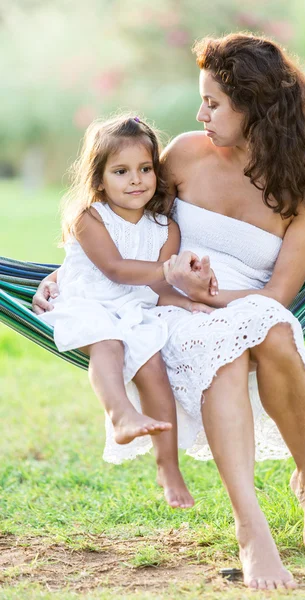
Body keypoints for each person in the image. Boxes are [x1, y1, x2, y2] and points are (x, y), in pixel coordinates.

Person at [33, 34, 305, 590]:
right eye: (202, 100)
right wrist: (73, 275)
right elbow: (123, 223)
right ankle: (253, 531)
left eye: (215, 103)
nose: (200, 113)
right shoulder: (184, 154)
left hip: (247, 303)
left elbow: (278, 295)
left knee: (269, 328)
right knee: (220, 348)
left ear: (258, 107)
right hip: (167, 307)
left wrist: (211, 296)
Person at [37, 113, 214, 509]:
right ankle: (120, 415)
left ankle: (168, 468)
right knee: (109, 344)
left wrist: (185, 300)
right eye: (121, 171)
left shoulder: (165, 229)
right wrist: (168, 270)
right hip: (87, 303)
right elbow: (115, 269)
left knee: (152, 364)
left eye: (145, 168)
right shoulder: (89, 217)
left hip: (135, 308)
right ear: (99, 179)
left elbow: (157, 286)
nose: (136, 180)